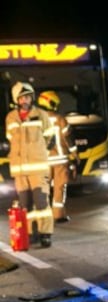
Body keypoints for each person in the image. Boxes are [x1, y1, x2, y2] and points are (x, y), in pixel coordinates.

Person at [5, 82, 54, 247]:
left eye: (28, 96)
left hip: (37, 168)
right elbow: (11, 139)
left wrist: (37, 151)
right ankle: (30, 233)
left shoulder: (41, 115)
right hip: (19, 170)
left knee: (41, 202)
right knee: (25, 204)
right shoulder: (11, 117)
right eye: (22, 97)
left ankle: (45, 233)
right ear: (17, 100)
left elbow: (49, 138)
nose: (25, 100)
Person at [38, 90, 79, 223]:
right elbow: (69, 139)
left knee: (43, 188)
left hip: (43, 161)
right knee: (59, 187)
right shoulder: (60, 119)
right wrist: (75, 154)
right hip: (60, 160)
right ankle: (58, 215)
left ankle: (43, 215)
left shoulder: (36, 120)